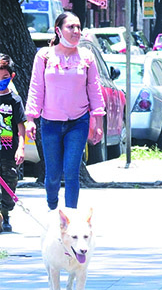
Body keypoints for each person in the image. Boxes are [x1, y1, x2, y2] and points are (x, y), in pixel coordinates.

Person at [24, 12, 105, 211]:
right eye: (71, 27)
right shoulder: (44, 56)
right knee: (52, 175)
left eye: (78, 27)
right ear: (58, 30)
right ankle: (53, 210)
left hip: (78, 123)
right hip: (50, 123)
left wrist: (98, 123)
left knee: (71, 172)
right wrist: (31, 119)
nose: (76, 31)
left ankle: (70, 219)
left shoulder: (87, 57)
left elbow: (94, 89)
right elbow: (36, 87)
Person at [0, 54, 26, 232]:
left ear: (12, 77)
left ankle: (5, 214)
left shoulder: (15, 100)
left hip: (9, 152)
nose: (1, 81)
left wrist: (21, 148)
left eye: (5, 77)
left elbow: (20, 126)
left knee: (10, 184)